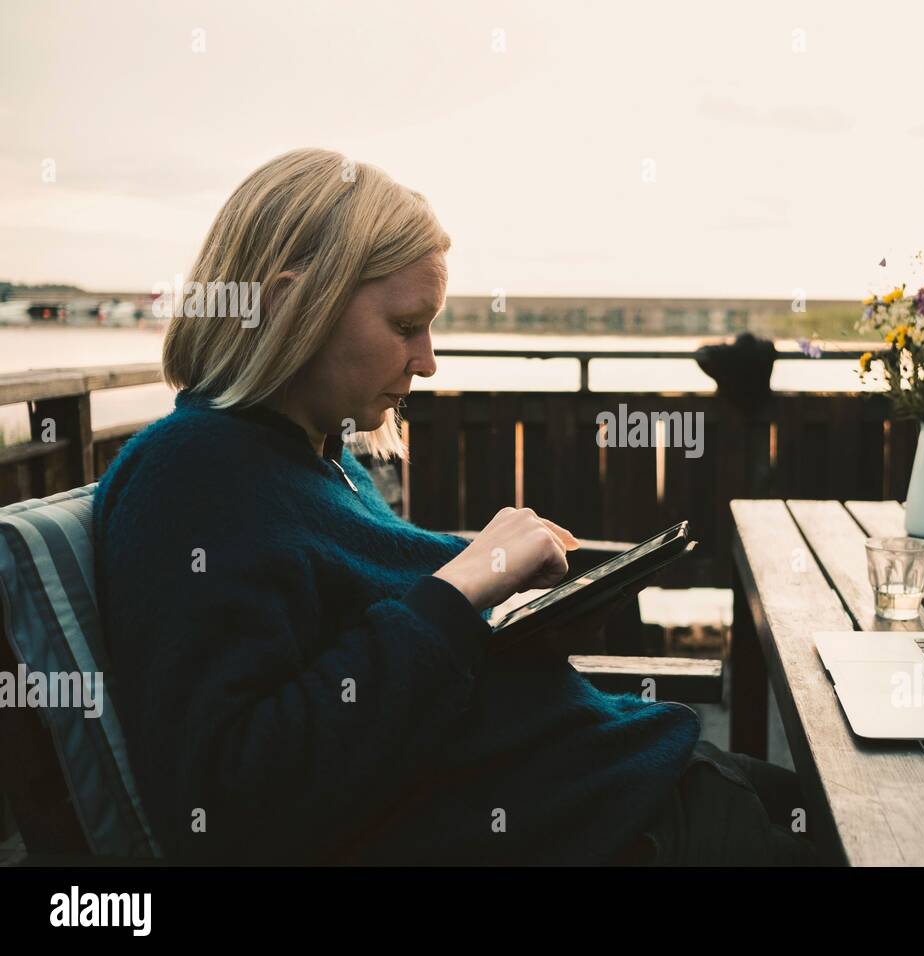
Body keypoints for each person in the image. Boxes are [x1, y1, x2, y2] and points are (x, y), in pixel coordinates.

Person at [93, 147, 830, 867]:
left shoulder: (313, 459)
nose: (428, 359)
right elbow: (233, 799)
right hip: (613, 826)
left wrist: (516, 611)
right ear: (290, 307)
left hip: (626, 775)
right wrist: (461, 586)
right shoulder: (193, 478)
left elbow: (388, 651)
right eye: (407, 324)